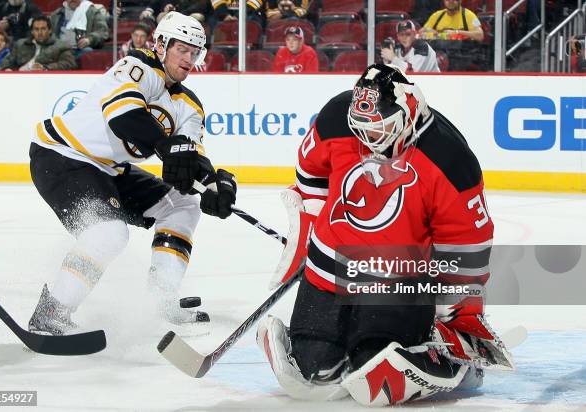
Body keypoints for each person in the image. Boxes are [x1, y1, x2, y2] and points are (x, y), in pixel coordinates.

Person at [256, 64, 514, 406]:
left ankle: (445, 353)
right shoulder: (335, 116)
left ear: (408, 116)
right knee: (313, 368)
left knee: (373, 358)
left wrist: (456, 309)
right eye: (361, 130)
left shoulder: (449, 157)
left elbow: (468, 242)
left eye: (380, 131)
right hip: (326, 274)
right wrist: (308, 231)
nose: (368, 140)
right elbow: (310, 174)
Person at [27, 11, 237, 335]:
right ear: (162, 45)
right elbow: (123, 117)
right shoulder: (136, 67)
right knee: (108, 233)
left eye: (195, 53)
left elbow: (192, 156)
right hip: (62, 156)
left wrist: (214, 185)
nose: (188, 59)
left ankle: (161, 300)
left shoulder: (189, 105)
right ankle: (52, 311)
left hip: (109, 170)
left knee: (184, 204)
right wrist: (165, 145)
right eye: (182, 49)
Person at [0, 15, 77, 71]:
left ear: (50, 30)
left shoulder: (61, 46)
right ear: (32, 32)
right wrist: (7, 69)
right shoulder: (20, 44)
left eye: (43, 29)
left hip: (45, 81)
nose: (40, 32)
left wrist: (46, 68)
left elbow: (70, 64)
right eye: (36, 29)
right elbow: (6, 61)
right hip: (20, 79)